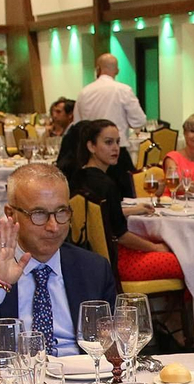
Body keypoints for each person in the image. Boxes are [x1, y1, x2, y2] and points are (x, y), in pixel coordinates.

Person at [0, 164, 118, 356]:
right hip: (13, 381)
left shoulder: (94, 269)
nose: (53, 226)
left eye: (61, 212)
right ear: (10, 214)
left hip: (83, 378)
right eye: (39, 214)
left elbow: (117, 345)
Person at [77, 119, 181, 282]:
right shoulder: (106, 185)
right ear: (91, 146)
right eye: (108, 142)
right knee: (187, 263)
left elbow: (100, 216)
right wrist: (156, 248)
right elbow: (121, 236)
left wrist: (132, 210)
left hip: (90, 259)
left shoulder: (79, 178)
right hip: (120, 263)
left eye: (118, 142)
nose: (115, 148)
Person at [75, 53, 148, 139]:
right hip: (117, 145)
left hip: (91, 147)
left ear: (97, 69)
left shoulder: (84, 92)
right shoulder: (124, 90)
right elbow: (139, 121)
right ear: (117, 71)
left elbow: (77, 124)